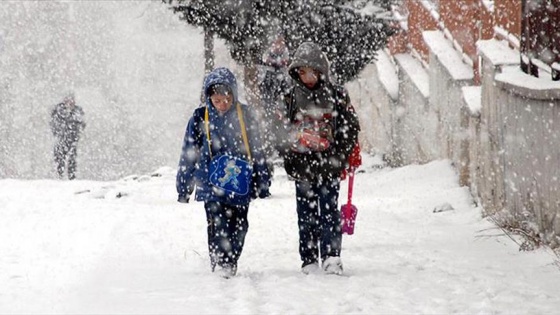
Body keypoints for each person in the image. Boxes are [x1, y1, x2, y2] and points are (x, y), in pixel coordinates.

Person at [176, 67, 271, 279]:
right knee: (216, 223)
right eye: (217, 100)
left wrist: (262, 180)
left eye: (226, 99)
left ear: (233, 96)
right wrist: (184, 186)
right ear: (209, 98)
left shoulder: (245, 115)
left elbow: (257, 149)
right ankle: (220, 262)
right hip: (210, 183)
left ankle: (231, 259)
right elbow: (189, 152)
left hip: (240, 182)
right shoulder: (201, 117)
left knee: (240, 225)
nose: (222, 104)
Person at [276, 42, 360, 275]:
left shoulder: (337, 95)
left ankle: (332, 256)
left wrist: (340, 154)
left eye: (312, 72)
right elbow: (278, 130)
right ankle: (309, 258)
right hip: (302, 167)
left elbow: (350, 127)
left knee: (329, 211)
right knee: (306, 213)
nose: (308, 77)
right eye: (302, 72)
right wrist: (292, 149)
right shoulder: (290, 97)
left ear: (321, 70)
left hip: (330, 165)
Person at [258, 35, 292, 174]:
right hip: (269, 106)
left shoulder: (288, 63)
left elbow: (288, 89)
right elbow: (263, 87)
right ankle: (268, 166)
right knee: (268, 134)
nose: (278, 45)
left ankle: (289, 164)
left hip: (283, 108)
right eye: (275, 42)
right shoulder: (265, 63)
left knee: (285, 134)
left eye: (280, 42)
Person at [49, 92, 86, 180]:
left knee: (72, 158)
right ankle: (59, 176)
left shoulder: (77, 111)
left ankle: (71, 177)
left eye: (71, 100)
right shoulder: (58, 110)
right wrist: (59, 131)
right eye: (68, 99)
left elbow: (82, 123)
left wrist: (77, 131)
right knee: (59, 157)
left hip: (73, 139)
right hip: (61, 138)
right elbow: (54, 123)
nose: (70, 102)